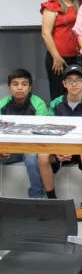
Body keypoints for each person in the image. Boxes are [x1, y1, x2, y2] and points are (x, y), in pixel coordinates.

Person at [38, 65, 82, 201]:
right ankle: (52, 199)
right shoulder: (56, 103)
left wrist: (78, 148)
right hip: (61, 149)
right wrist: (58, 150)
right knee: (42, 156)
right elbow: (50, 131)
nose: (74, 84)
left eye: (78, 80)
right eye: (70, 80)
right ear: (64, 84)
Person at [0, 68, 47, 198]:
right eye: (15, 84)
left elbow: (40, 133)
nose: (20, 88)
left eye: (24, 84)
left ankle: (37, 197)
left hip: (31, 148)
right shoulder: (2, 104)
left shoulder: (38, 104)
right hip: (8, 149)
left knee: (31, 158)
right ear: (9, 87)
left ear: (30, 88)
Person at [41, 0, 82, 100]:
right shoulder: (52, 5)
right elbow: (46, 33)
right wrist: (56, 57)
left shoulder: (81, 2)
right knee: (59, 95)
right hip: (59, 59)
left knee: (79, 94)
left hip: (79, 57)